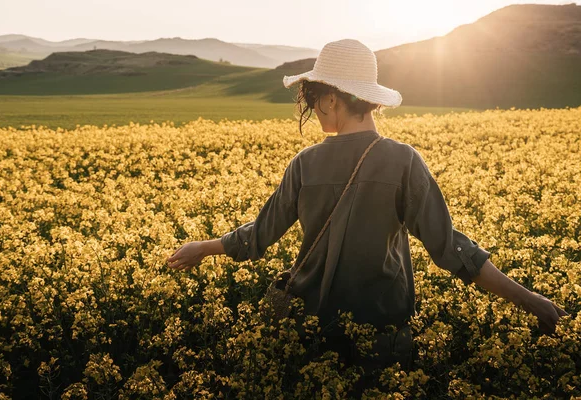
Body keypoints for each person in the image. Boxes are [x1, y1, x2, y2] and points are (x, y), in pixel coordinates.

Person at [166, 39, 568, 384]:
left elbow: (258, 237)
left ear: (331, 98)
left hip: (308, 336)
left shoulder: (304, 164)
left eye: (313, 99)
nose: (313, 109)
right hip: (381, 343)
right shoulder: (403, 162)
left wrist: (203, 247)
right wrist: (530, 299)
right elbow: (452, 251)